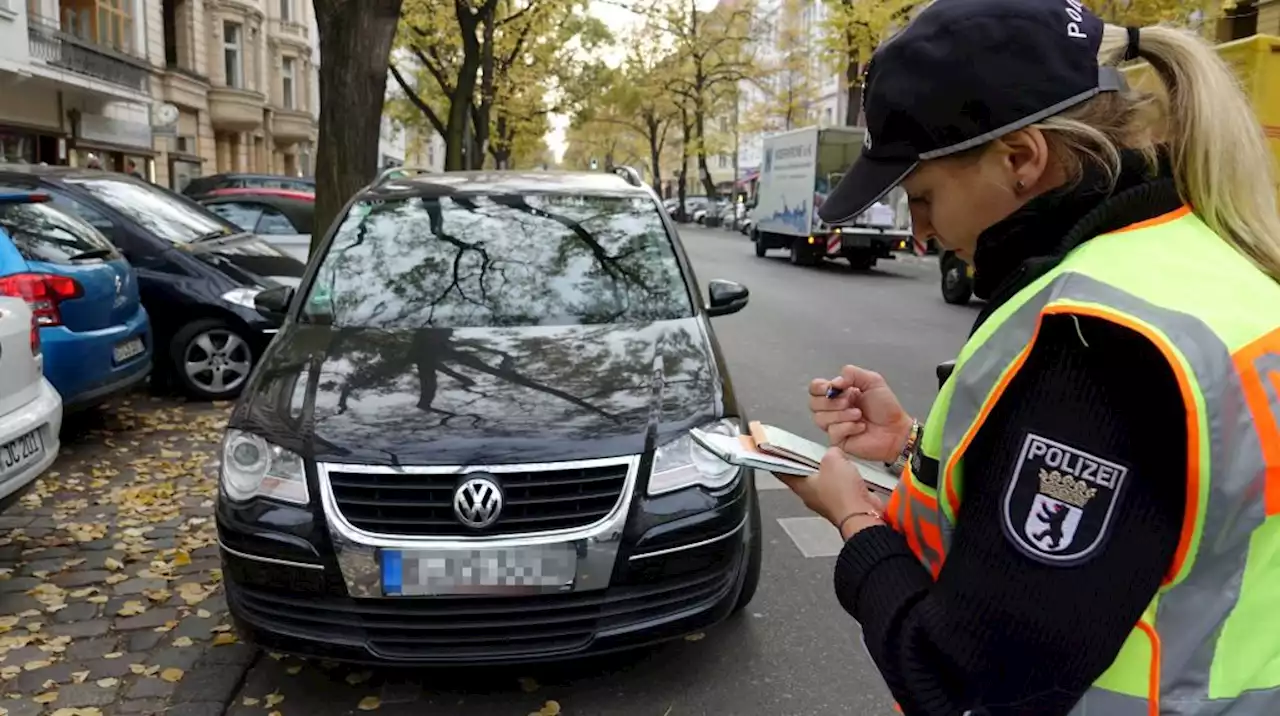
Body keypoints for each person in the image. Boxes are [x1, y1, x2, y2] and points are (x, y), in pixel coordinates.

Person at [777, 0, 1280, 714]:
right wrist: (914, 448)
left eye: (923, 197)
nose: (919, 233)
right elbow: (1165, 509)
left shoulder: (1099, 339)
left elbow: (956, 678)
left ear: (1019, 159)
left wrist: (854, 524)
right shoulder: (1210, 264)